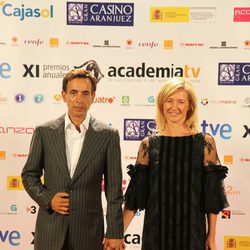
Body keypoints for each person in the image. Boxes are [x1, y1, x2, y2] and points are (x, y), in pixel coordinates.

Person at [21, 60, 124, 250]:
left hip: (89, 233)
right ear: (64, 96)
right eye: (73, 93)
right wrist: (48, 199)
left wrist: (116, 232)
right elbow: (29, 175)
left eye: (85, 93)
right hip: (50, 231)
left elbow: (114, 190)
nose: (79, 99)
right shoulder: (44, 131)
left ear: (93, 97)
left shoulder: (108, 135)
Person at [123, 77, 229, 250]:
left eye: (181, 101)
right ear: (161, 105)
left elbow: (212, 195)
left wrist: (212, 236)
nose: (174, 107)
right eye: (169, 101)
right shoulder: (149, 144)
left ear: (190, 106)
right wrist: (117, 234)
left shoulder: (204, 143)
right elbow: (135, 198)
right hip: (155, 235)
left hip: (193, 235)